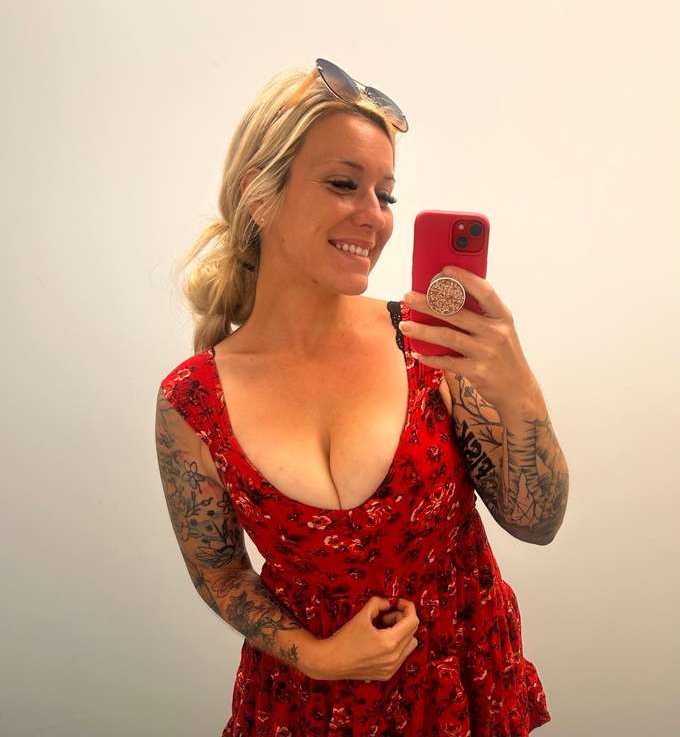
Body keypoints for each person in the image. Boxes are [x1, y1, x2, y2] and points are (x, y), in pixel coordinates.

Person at [155, 58, 554, 735]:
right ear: (260, 194)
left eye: (386, 195)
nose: (375, 217)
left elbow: (535, 521)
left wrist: (520, 394)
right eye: (344, 184)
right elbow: (219, 572)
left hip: (456, 692)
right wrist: (316, 656)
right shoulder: (193, 401)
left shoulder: (425, 345)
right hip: (304, 707)